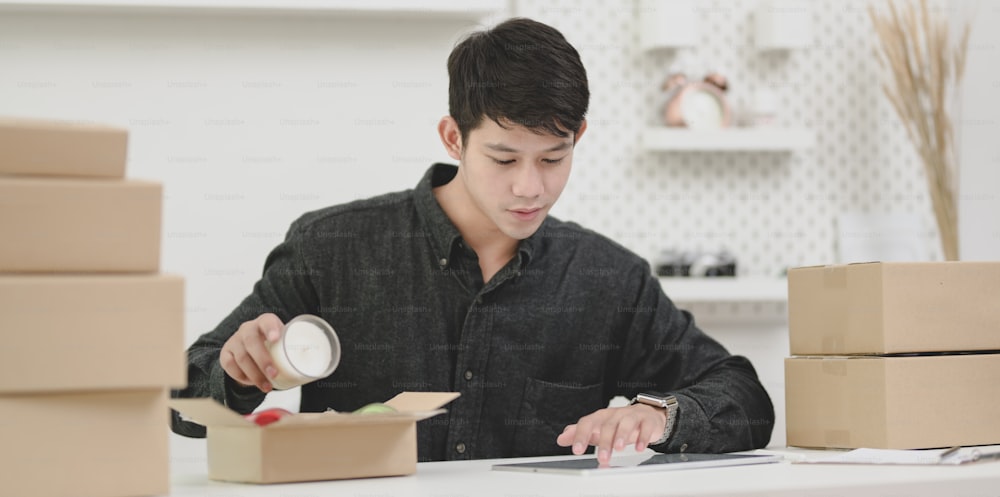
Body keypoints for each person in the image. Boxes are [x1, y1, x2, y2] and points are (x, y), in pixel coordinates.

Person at [171, 17, 774, 465]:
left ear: (578, 137)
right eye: (504, 157)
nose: (530, 188)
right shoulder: (332, 248)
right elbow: (181, 405)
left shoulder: (608, 278)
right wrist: (237, 374)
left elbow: (744, 396)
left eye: (553, 158)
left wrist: (657, 415)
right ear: (453, 138)